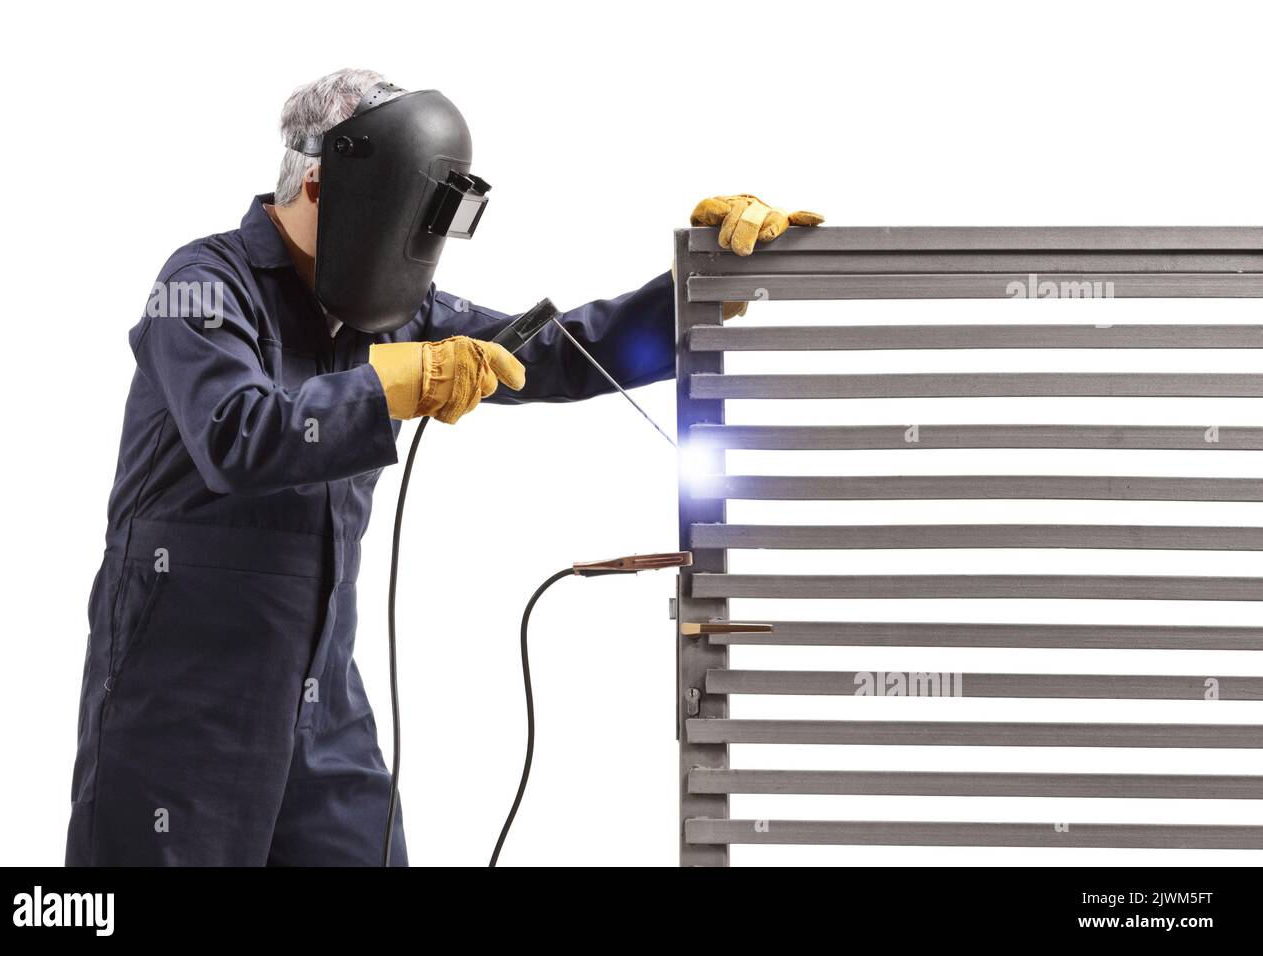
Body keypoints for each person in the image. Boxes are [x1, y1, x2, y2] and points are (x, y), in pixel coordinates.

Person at [66, 67, 821, 866]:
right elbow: (236, 435)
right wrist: (393, 382)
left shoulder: (387, 312)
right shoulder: (202, 288)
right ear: (325, 190)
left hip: (323, 705)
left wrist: (697, 291)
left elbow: (558, 357)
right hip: (182, 704)